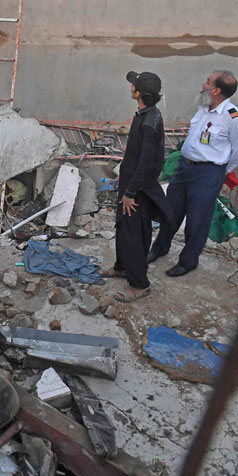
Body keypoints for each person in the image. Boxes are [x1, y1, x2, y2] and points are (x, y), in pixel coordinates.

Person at [148, 71, 238, 278]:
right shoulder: (203, 107)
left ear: (216, 90)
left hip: (209, 173)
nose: (203, 84)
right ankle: (160, 248)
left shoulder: (234, 117)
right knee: (170, 211)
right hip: (185, 168)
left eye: (207, 82)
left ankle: (188, 261)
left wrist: (220, 171)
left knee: (197, 219)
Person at [102, 72, 172, 303]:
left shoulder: (150, 122)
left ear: (138, 93)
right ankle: (122, 267)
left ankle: (140, 284)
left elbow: (147, 162)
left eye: (134, 85)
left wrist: (131, 193)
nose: (131, 86)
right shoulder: (145, 114)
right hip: (131, 183)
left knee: (133, 234)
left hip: (137, 189)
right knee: (124, 228)